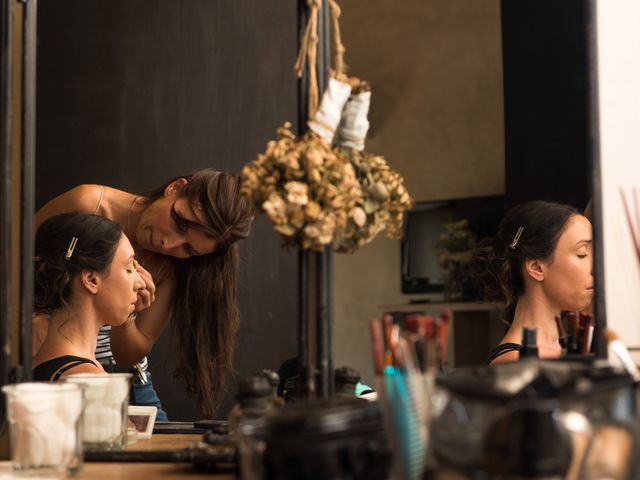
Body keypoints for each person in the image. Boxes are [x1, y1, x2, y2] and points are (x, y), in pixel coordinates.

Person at [33, 169, 254, 418]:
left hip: (127, 384)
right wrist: (38, 328)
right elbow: (15, 267)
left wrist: (127, 316)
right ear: (174, 188)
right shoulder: (89, 204)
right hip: (59, 368)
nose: (168, 244)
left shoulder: (171, 267)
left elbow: (130, 355)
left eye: (188, 249)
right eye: (179, 224)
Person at [472, 200, 594, 364]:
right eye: (582, 253)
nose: (595, 267)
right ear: (537, 268)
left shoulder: (568, 349)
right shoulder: (515, 363)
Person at [33, 213, 145, 381]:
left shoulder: (37, 365)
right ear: (91, 280)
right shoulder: (91, 381)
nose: (141, 283)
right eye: (129, 268)